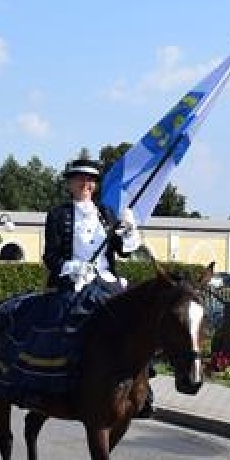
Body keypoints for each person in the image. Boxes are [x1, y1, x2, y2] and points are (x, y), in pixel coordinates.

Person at [41, 155, 151, 415]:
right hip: (76, 281)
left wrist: (128, 233)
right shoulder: (58, 215)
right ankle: (73, 378)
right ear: (70, 184)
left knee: (140, 319)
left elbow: (122, 251)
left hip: (108, 279)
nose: (86, 184)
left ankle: (141, 384)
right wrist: (72, 268)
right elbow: (50, 256)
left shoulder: (106, 213)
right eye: (80, 179)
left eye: (90, 180)